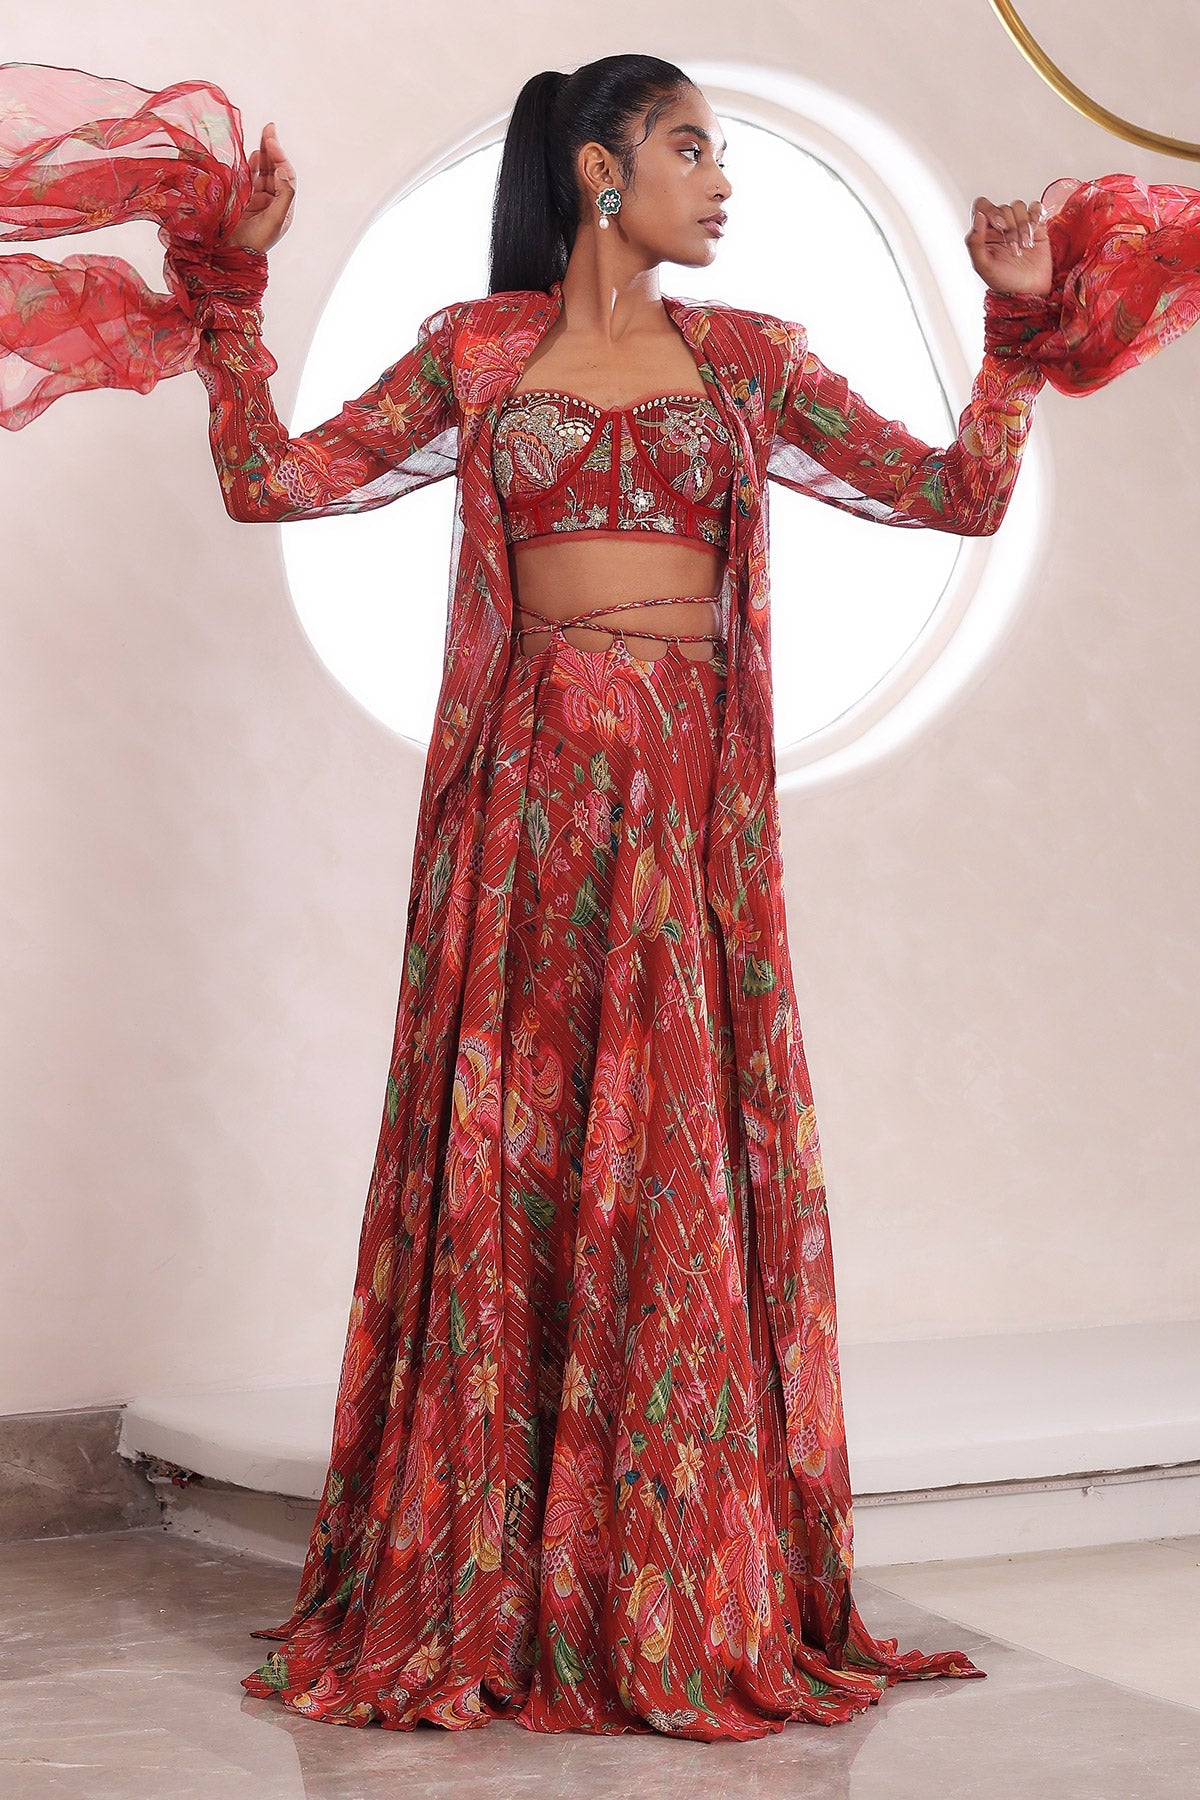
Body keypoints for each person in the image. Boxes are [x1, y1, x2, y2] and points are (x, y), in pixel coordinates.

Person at [4, 51, 1198, 1745]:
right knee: (521, 1158)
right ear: (595, 168)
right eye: (692, 148)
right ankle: (502, 1577)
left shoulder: (753, 360)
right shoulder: (480, 353)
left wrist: (1011, 335)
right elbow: (277, 478)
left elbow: (960, 492)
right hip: (527, 804)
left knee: (674, 1164)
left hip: (686, 815)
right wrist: (235, 296)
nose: (722, 181)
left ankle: (668, 1571)